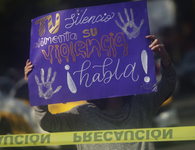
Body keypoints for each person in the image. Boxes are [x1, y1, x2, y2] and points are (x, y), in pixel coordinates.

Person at [24, 35, 177, 150]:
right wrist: (39, 95)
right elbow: (47, 123)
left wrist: (165, 58)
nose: (109, 76)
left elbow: (168, 85)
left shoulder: (142, 104)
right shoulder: (81, 115)